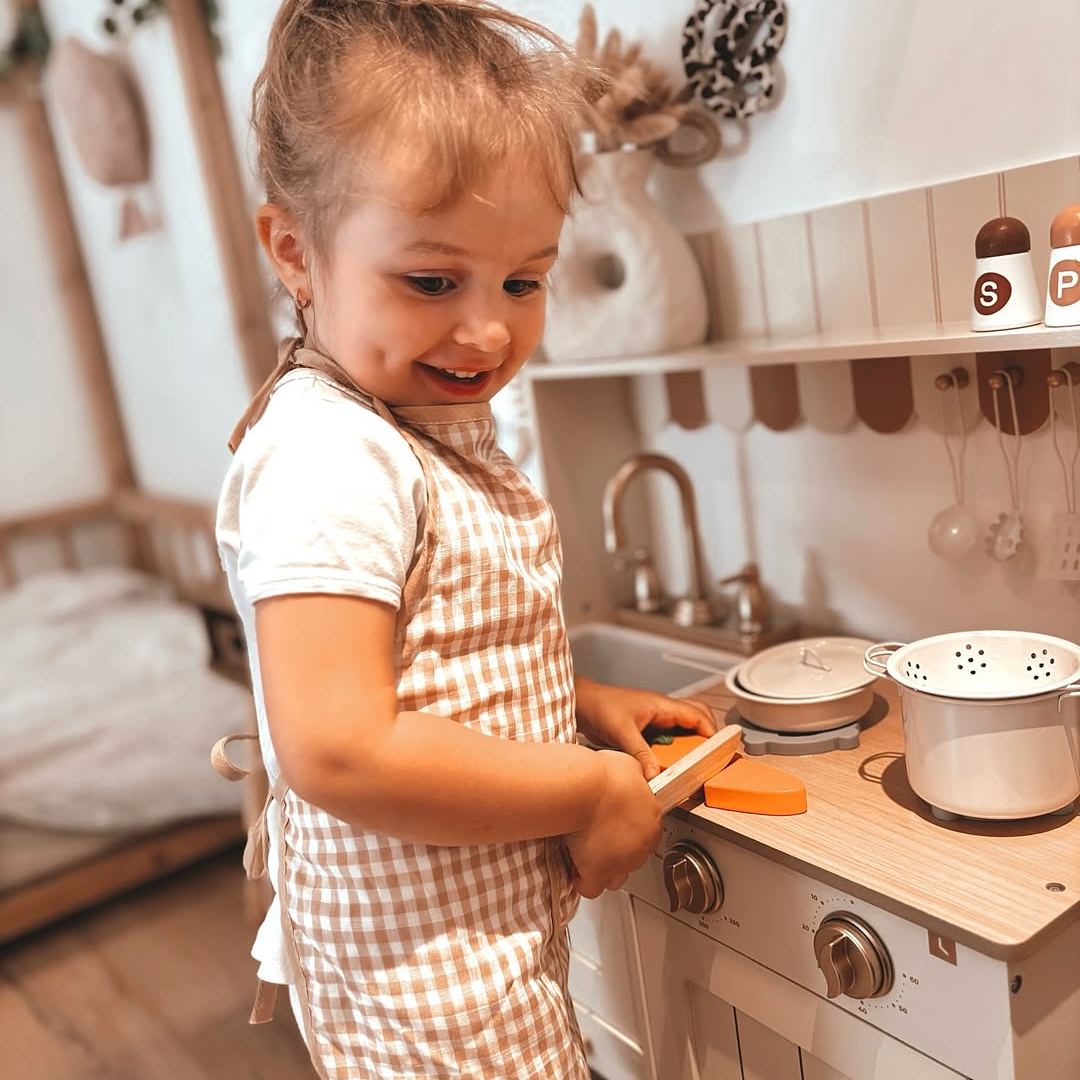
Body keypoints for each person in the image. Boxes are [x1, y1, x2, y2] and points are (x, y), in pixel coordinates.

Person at [212, 2, 715, 1076]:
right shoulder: (328, 457)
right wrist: (589, 787)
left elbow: (430, 661)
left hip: (475, 975)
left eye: (523, 281)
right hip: (424, 1013)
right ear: (296, 250)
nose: (487, 329)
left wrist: (574, 700)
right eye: (432, 281)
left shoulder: (403, 432)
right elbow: (342, 747)